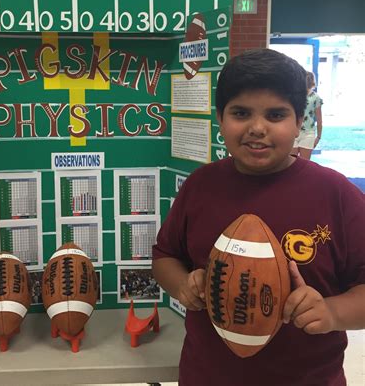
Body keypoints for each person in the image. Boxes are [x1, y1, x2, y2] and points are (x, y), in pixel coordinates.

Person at [152, 49, 365, 386]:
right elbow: (165, 256)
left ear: (299, 122)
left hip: (309, 379)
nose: (257, 128)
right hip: (207, 376)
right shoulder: (200, 186)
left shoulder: (336, 193)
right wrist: (182, 284)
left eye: (276, 115)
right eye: (241, 113)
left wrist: (332, 312)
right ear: (220, 119)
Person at [291, 71, 323, 159]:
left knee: (301, 163)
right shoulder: (294, 96)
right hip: (295, 131)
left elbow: (319, 120)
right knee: (294, 162)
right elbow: (319, 120)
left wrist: (318, 137)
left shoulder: (315, 98)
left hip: (307, 133)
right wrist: (318, 137)